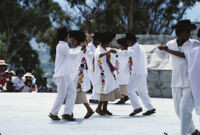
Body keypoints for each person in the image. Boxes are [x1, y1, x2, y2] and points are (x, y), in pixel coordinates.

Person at [157, 20, 200, 135]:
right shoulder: (170, 43)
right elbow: (162, 56)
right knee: (178, 111)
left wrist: (168, 50)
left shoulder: (195, 44)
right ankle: (194, 131)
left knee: (185, 110)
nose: (189, 34)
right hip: (176, 81)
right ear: (180, 33)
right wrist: (160, 48)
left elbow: (186, 56)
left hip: (190, 82)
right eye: (187, 32)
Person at [49, 27, 86, 121]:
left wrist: (81, 50)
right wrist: (82, 50)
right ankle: (53, 113)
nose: (69, 37)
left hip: (65, 74)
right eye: (68, 35)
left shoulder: (62, 45)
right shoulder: (63, 46)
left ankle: (67, 113)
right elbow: (73, 56)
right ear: (65, 36)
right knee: (62, 94)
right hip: (62, 74)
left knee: (72, 92)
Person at [117, 33, 155, 116]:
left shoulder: (135, 48)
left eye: (127, 41)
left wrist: (115, 52)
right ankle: (150, 108)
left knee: (129, 89)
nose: (127, 43)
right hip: (142, 72)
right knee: (142, 91)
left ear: (130, 41)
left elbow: (126, 53)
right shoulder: (139, 47)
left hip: (138, 73)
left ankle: (137, 107)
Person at [94, 32, 121, 115]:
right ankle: (98, 108)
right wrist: (108, 52)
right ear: (106, 43)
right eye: (110, 42)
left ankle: (105, 108)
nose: (111, 43)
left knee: (109, 90)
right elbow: (99, 56)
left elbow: (108, 59)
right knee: (104, 90)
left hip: (108, 73)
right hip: (102, 74)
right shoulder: (99, 49)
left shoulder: (105, 49)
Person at [69, 30, 94, 119]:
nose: (71, 42)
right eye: (70, 40)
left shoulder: (82, 49)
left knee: (73, 93)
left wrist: (84, 50)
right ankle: (88, 109)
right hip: (73, 74)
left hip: (79, 75)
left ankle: (69, 112)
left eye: (73, 40)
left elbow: (90, 56)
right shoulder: (73, 49)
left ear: (78, 40)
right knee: (78, 93)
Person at [87, 32, 101, 104]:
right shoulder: (89, 46)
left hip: (97, 67)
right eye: (99, 40)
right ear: (95, 40)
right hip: (91, 67)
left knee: (97, 82)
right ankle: (94, 97)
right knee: (95, 82)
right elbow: (88, 55)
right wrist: (96, 54)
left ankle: (94, 97)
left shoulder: (98, 47)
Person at [115, 38, 130, 104]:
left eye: (121, 45)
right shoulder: (120, 52)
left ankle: (125, 96)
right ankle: (124, 96)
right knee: (120, 84)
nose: (120, 46)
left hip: (125, 71)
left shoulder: (127, 52)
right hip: (120, 71)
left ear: (124, 46)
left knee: (123, 84)